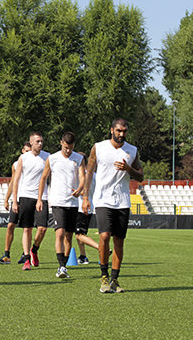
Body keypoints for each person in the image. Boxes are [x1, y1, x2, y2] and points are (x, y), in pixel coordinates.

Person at [83, 118, 143, 293]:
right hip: (102, 199)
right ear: (111, 130)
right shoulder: (99, 147)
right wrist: (86, 197)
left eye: (124, 131)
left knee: (119, 241)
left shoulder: (132, 150)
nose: (121, 134)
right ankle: (104, 277)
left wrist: (128, 169)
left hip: (123, 201)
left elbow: (140, 176)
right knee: (104, 236)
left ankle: (115, 280)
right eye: (118, 131)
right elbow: (89, 172)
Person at [36, 132, 85, 278]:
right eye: (65, 147)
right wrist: (39, 199)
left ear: (73, 146)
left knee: (69, 236)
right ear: (61, 143)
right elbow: (43, 178)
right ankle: (61, 266)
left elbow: (82, 177)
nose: (68, 151)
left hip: (73, 202)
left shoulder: (79, 158)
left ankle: (63, 266)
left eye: (70, 148)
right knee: (59, 232)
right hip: (57, 201)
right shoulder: (52, 158)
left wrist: (80, 189)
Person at [12, 131, 49, 271]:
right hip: (26, 195)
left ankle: (34, 249)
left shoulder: (48, 157)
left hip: (42, 197)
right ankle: (27, 259)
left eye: (41, 141)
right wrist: (15, 201)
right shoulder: (23, 158)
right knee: (27, 229)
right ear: (31, 142)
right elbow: (16, 180)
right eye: (37, 141)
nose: (40, 144)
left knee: (43, 228)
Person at [0, 141, 31, 264]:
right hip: (16, 199)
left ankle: (25, 254)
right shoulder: (16, 164)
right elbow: (12, 182)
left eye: (29, 151)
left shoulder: (35, 163)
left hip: (28, 198)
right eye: (26, 151)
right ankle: (7, 255)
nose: (28, 153)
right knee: (11, 225)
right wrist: (7, 199)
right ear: (22, 151)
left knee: (27, 229)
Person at [75, 152, 99, 264]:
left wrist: (75, 192)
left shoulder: (84, 175)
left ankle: (101, 248)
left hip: (82, 207)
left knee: (80, 235)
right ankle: (83, 256)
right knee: (79, 234)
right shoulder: (94, 174)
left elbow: (85, 191)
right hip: (89, 207)